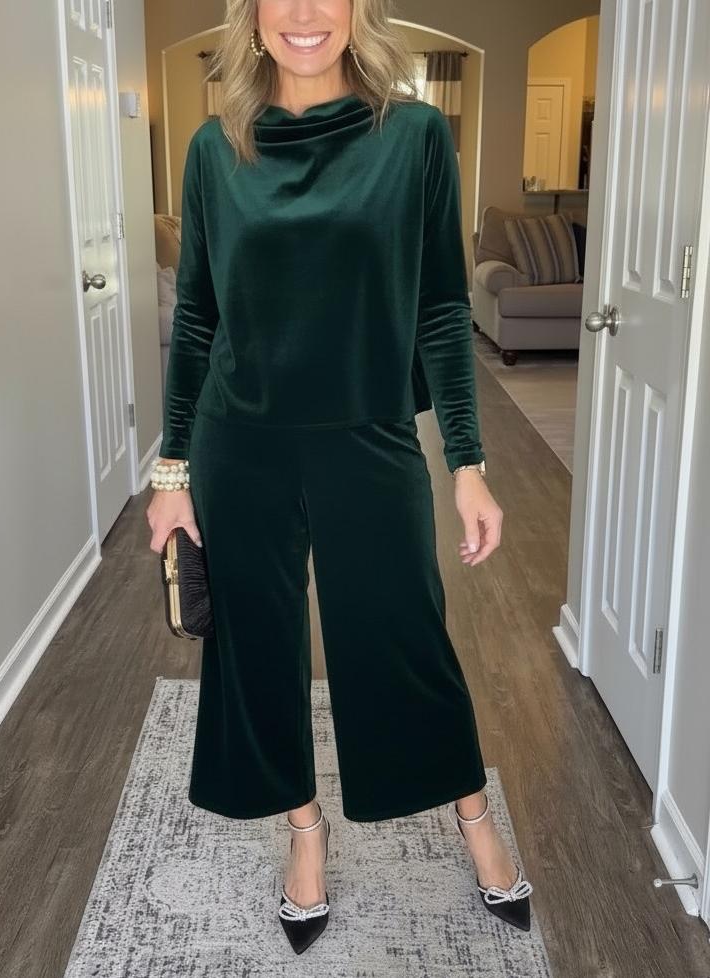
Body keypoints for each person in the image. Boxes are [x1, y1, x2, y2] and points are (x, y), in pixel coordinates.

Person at [147, 0, 534, 955]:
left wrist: (468, 463)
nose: (305, 13)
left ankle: (474, 814)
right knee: (258, 648)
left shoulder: (414, 138)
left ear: (361, 9)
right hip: (241, 443)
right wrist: (172, 469)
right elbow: (195, 317)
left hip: (369, 436)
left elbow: (441, 306)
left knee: (405, 636)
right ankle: (304, 832)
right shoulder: (214, 150)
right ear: (252, 15)